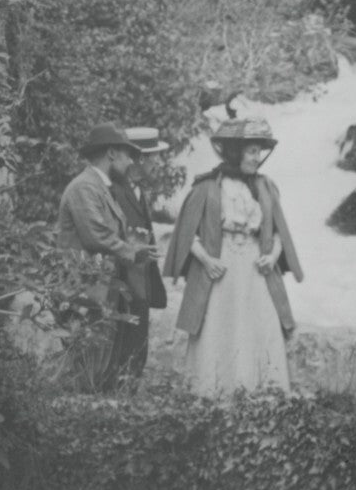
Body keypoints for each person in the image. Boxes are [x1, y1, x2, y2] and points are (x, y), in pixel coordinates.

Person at [163, 117, 303, 397]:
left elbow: (279, 232)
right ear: (235, 152)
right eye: (251, 151)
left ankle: (261, 391)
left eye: (258, 152)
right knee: (219, 324)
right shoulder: (207, 187)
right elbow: (186, 233)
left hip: (256, 270)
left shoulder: (266, 187)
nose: (256, 157)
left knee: (261, 322)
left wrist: (272, 256)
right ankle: (213, 391)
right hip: (221, 269)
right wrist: (207, 260)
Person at [57, 124, 161, 391]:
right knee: (86, 367)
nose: (131, 162)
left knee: (100, 368)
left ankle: (94, 410)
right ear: (112, 153)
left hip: (99, 288)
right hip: (84, 289)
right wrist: (133, 251)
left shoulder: (100, 187)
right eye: (128, 155)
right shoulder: (84, 187)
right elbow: (97, 235)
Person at [107, 127, 171, 381]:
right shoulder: (113, 191)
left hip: (139, 282)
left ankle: (128, 389)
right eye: (155, 157)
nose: (159, 163)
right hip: (122, 283)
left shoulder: (137, 191)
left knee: (136, 344)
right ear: (140, 158)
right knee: (122, 345)